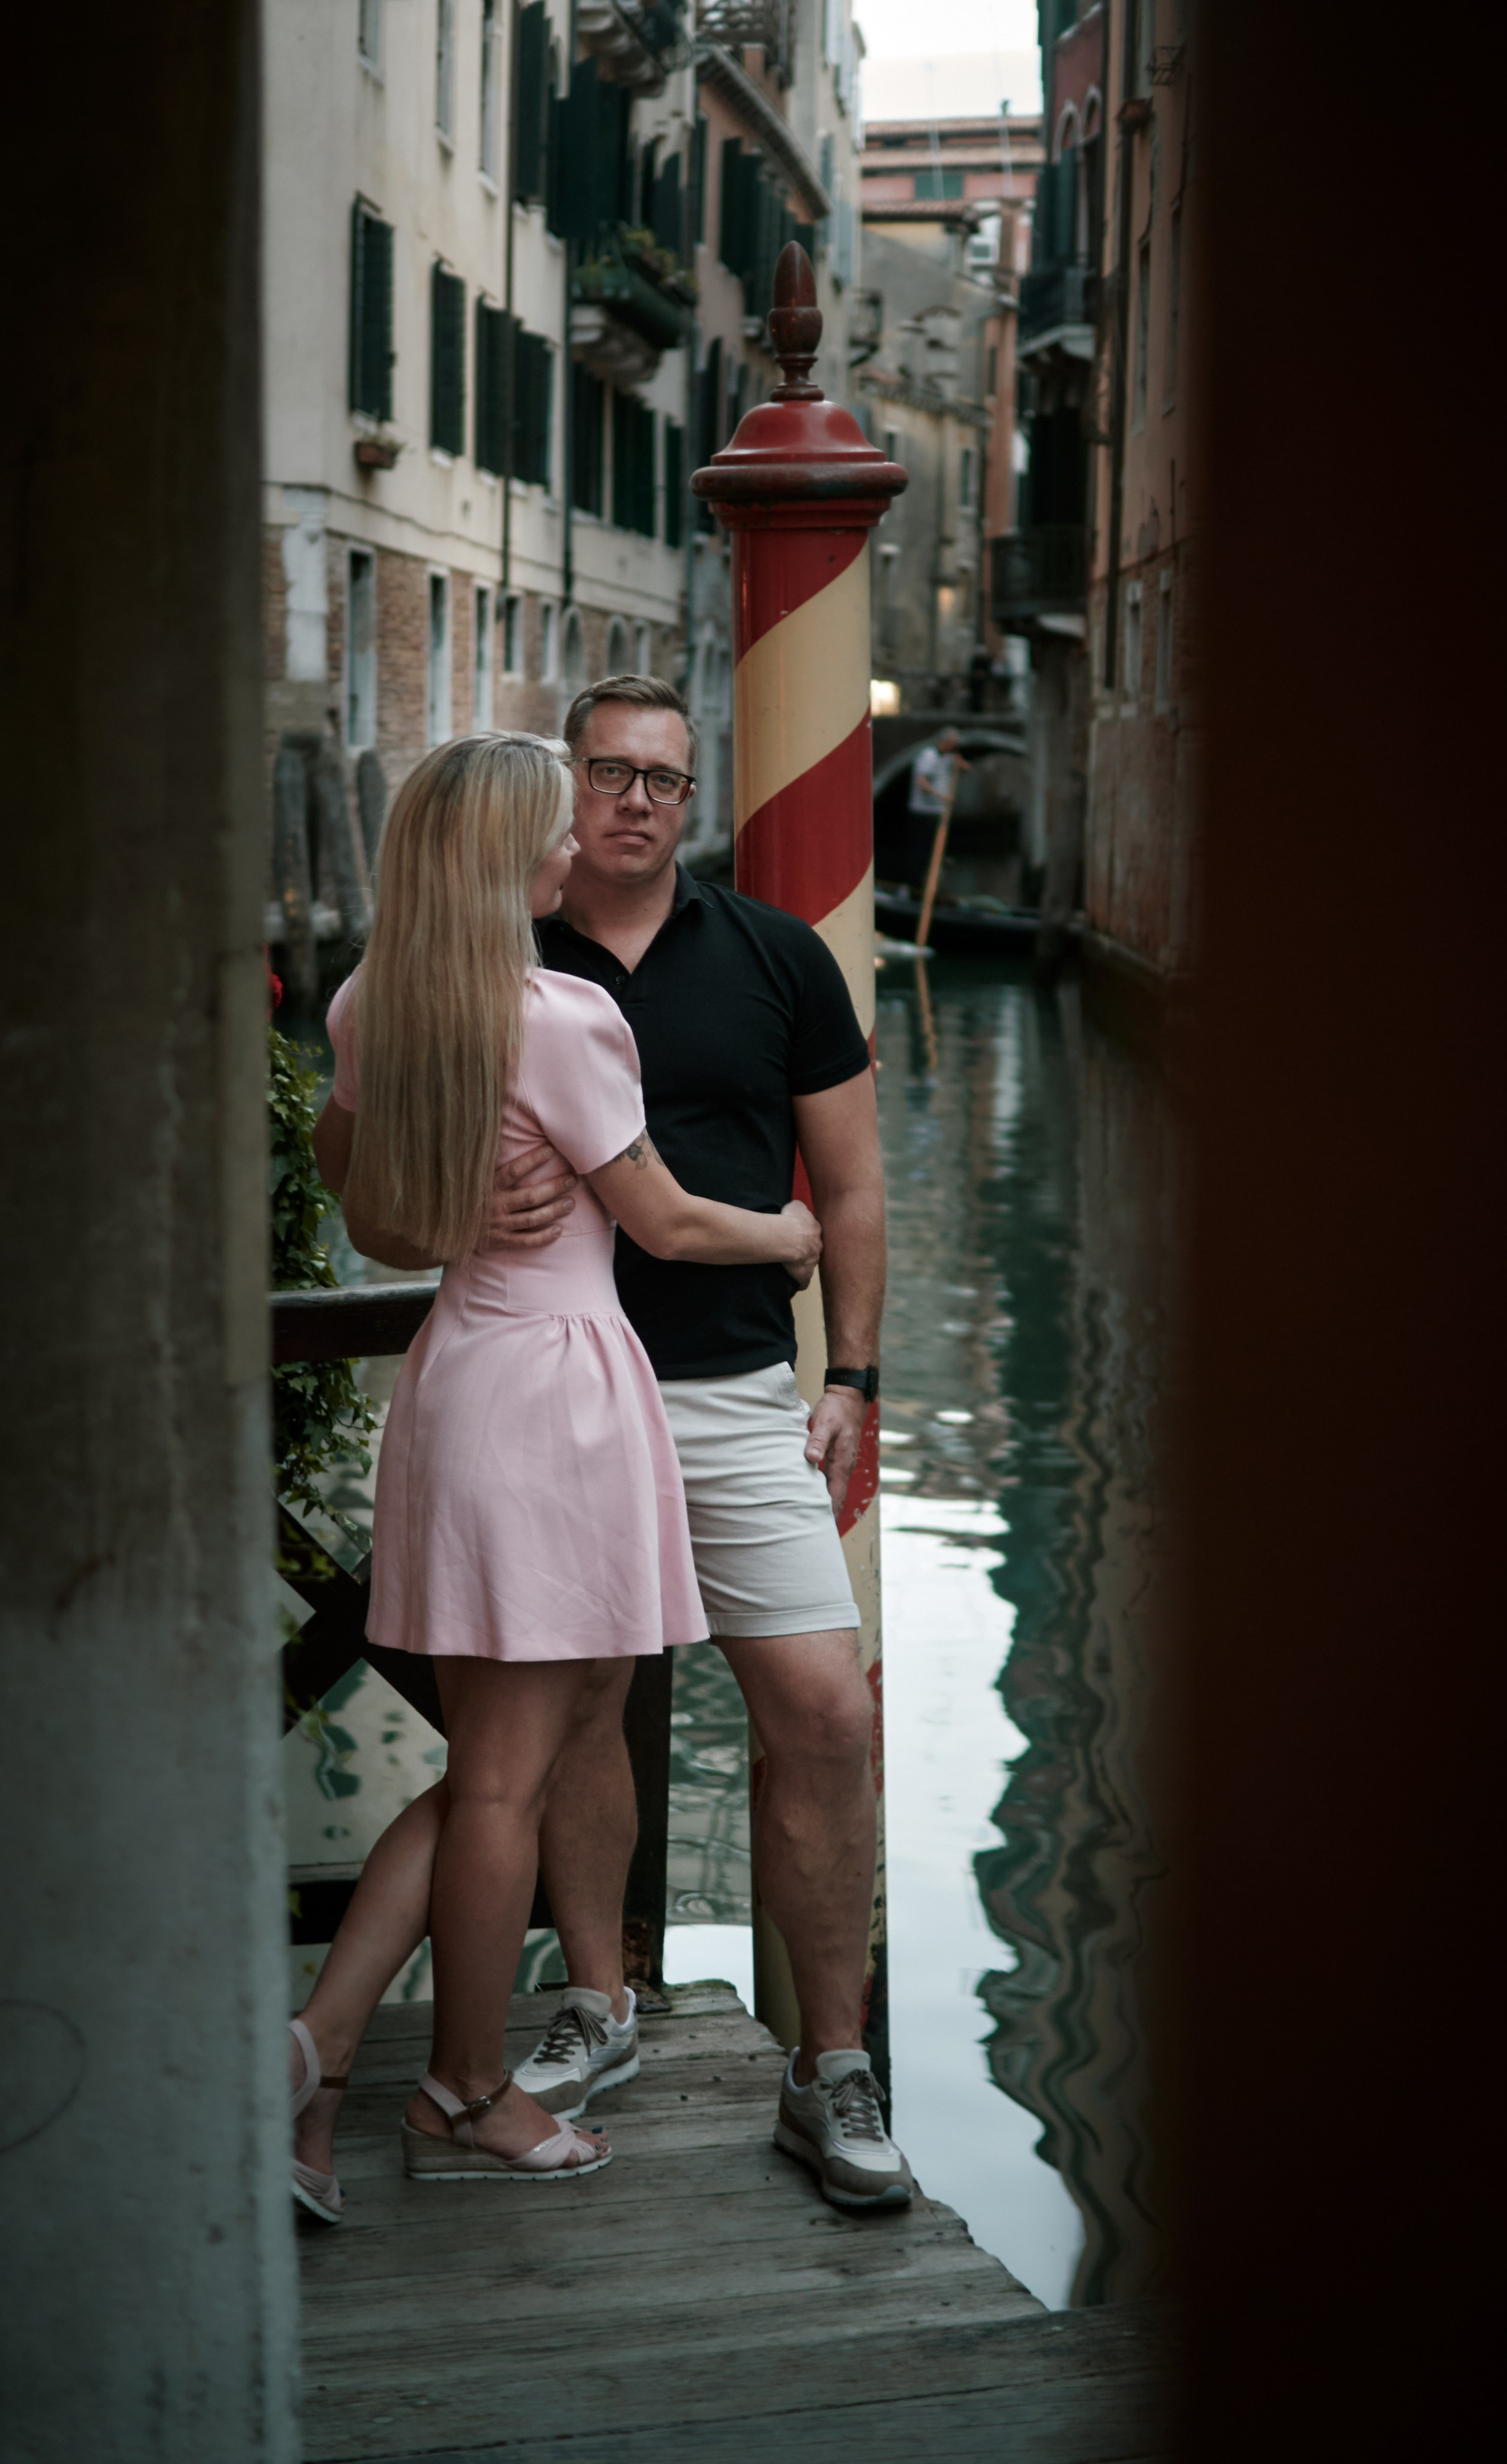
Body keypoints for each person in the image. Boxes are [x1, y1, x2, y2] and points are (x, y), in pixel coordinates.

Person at [288, 680, 913, 2218]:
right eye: (594, 782)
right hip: (564, 1393)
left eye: (658, 781)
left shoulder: (395, 989)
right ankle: (517, 2047)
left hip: (611, 1388)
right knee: (533, 1754)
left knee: (753, 1721)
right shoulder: (533, 993)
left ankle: (818, 2061)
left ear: (688, 798)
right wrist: (778, 1238)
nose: (617, 811)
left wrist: (849, 1367)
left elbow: (851, 1181)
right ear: (539, 807)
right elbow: (637, 1216)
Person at [907, 725, 970, 825]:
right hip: (924, 811)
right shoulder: (929, 756)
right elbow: (922, 784)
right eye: (953, 744)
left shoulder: (949, 757)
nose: (955, 747)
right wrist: (944, 797)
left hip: (940, 810)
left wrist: (961, 764)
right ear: (946, 742)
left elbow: (966, 769)